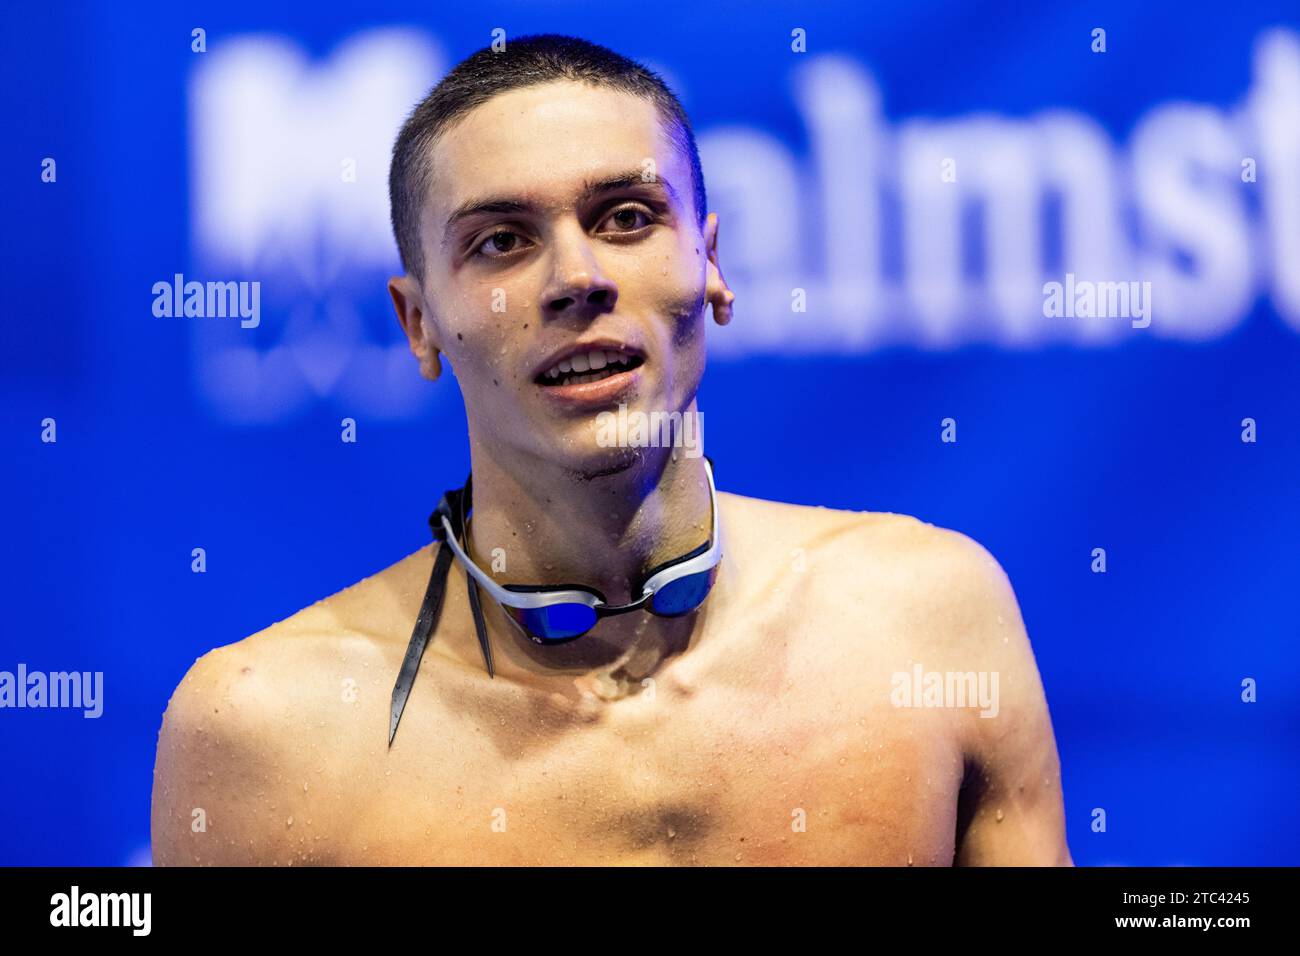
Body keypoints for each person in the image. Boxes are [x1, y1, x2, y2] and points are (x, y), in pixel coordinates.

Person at [151, 33, 1072, 866]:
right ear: (419, 321)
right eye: (502, 240)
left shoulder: (928, 618)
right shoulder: (266, 730)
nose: (578, 278)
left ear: (708, 262)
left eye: (627, 217)